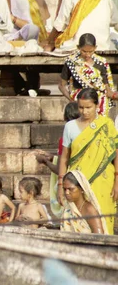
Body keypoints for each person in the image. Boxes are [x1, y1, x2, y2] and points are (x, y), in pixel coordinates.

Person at [57, 88, 118, 234]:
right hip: (76, 183)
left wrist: (117, 181)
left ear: (97, 106)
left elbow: (116, 153)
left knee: (103, 222)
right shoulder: (70, 127)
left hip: (103, 182)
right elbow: (64, 157)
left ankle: (104, 254)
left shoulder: (106, 125)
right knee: (76, 220)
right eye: (81, 107)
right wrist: (60, 185)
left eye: (88, 107)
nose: (84, 112)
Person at [45, 0, 118, 52]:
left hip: (76, 47)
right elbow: (116, 22)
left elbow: (59, 25)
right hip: (102, 46)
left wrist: (49, 41)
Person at [36, 101, 80, 218]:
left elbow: (59, 169)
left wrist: (45, 161)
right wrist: (52, 156)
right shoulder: (88, 133)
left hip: (71, 183)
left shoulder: (66, 136)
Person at [59, 33, 117, 116]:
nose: (87, 55)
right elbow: (61, 85)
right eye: (84, 51)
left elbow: (107, 90)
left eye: (91, 51)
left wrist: (112, 95)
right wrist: (72, 101)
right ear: (78, 47)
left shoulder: (101, 63)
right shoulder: (71, 62)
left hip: (98, 104)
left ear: (95, 48)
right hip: (80, 102)